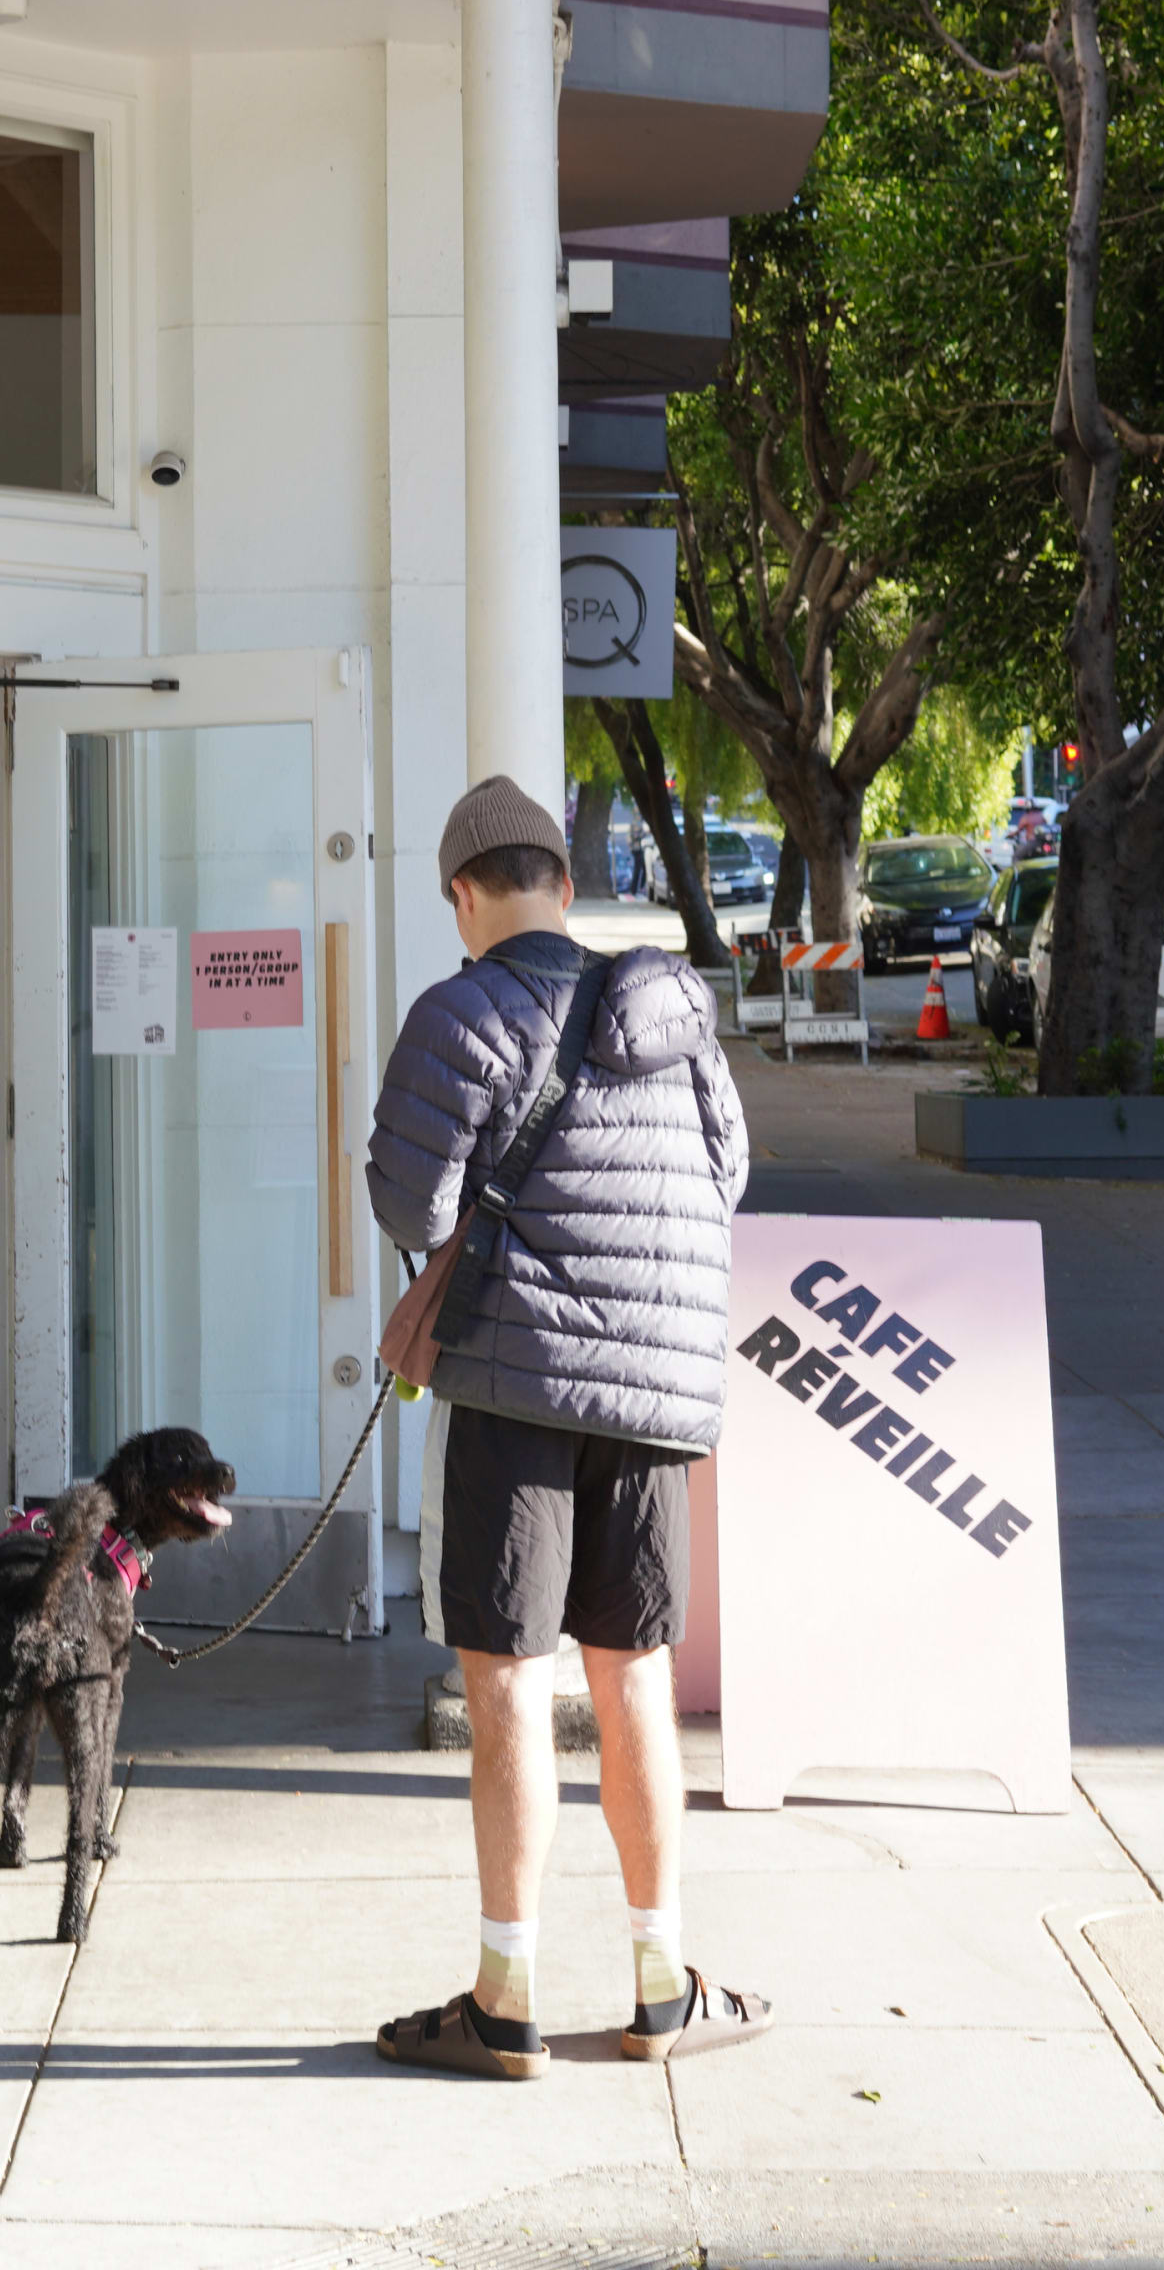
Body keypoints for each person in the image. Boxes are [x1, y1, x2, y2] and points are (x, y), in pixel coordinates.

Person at [364, 773, 765, 2077]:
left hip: (517, 1388)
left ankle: (505, 1997)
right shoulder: (672, 1012)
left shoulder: (462, 1008)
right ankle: (662, 1982)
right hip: (657, 1397)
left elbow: (411, 1209)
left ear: (464, 895)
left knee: (509, 1687)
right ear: (567, 885)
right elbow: (727, 1176)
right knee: (634, 1676)